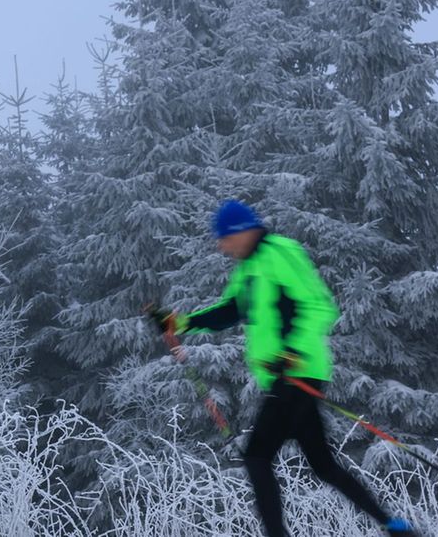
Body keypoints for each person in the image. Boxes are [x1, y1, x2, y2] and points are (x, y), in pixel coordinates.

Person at [147, 200, 417, 537]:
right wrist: (179, 323)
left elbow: (319, 306)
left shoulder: (280, 252)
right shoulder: (248, 269)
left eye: (225, 239)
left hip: (297, 372)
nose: (222, 247)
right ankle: (396, 527)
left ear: (241, 232)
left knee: (257, 457)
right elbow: (229, 312)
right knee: (324, 466)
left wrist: (291, 353)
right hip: (287, 376)